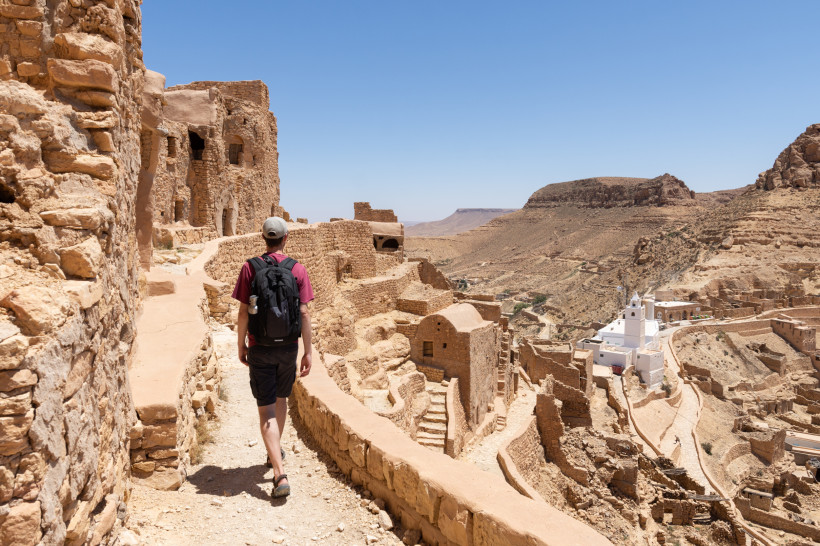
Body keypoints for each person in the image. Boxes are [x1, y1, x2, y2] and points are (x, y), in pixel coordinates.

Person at [231, 216, 314, 498]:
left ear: (264, 238)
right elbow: (303, 312)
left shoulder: (250, 267)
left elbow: (243, 311)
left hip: (261, 347)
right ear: (285, 238)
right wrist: (308, 351)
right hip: (289, 347)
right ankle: (275, 453)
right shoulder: (297, 269)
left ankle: (279, 474)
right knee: (281, 400)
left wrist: (241, 344)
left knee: (265, 409)